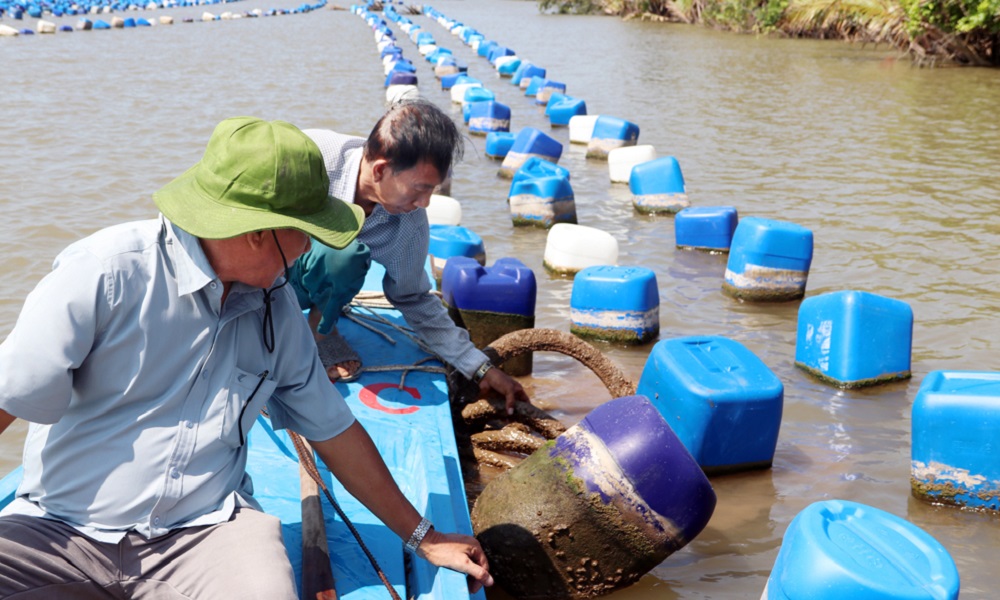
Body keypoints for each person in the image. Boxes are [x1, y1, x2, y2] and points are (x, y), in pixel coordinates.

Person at [0, 116, 493, 599]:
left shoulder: (275, 309)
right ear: (260, 232)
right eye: (304, 234)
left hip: (202, 534)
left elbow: (334, 430)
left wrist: (425, 538)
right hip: (60, 530)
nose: (306, 251)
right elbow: (9, 395)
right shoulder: (105, 275)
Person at [291, 100, 529, 412]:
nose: (425, 203)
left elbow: (414, 297)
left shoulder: (409, 220)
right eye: (419, 190)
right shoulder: (309, 156)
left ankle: (322, 328)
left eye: (433, 191)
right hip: (267, 273)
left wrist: (480, 368)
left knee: (347, 256)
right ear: (380, 170)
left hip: (310, 288)